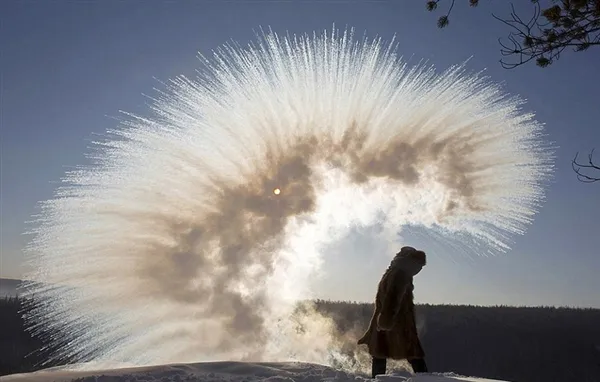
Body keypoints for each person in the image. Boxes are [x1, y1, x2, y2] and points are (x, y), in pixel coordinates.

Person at [357, 246, 429, 378]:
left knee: (380, 353)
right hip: (395, 323)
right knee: (413, 354)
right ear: (410, 261)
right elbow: (393, 299)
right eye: (418, 266)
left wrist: (380, 323)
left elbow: (386, 301)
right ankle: (428, 380)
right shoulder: (400, 274)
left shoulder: (394, 271)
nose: (419, 269)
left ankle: (377, 379)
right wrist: (384, 322)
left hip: (387, 321)